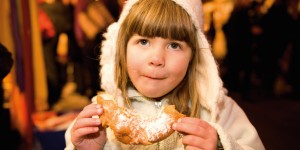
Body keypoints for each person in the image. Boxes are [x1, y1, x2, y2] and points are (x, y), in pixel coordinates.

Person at [64, 0, 265, 149]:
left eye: (174, 45)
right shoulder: (98, 119)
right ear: (121, 49)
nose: (157, 58)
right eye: (143, 42)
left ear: (194, 56)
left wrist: (222, 145)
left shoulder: (220, 112)